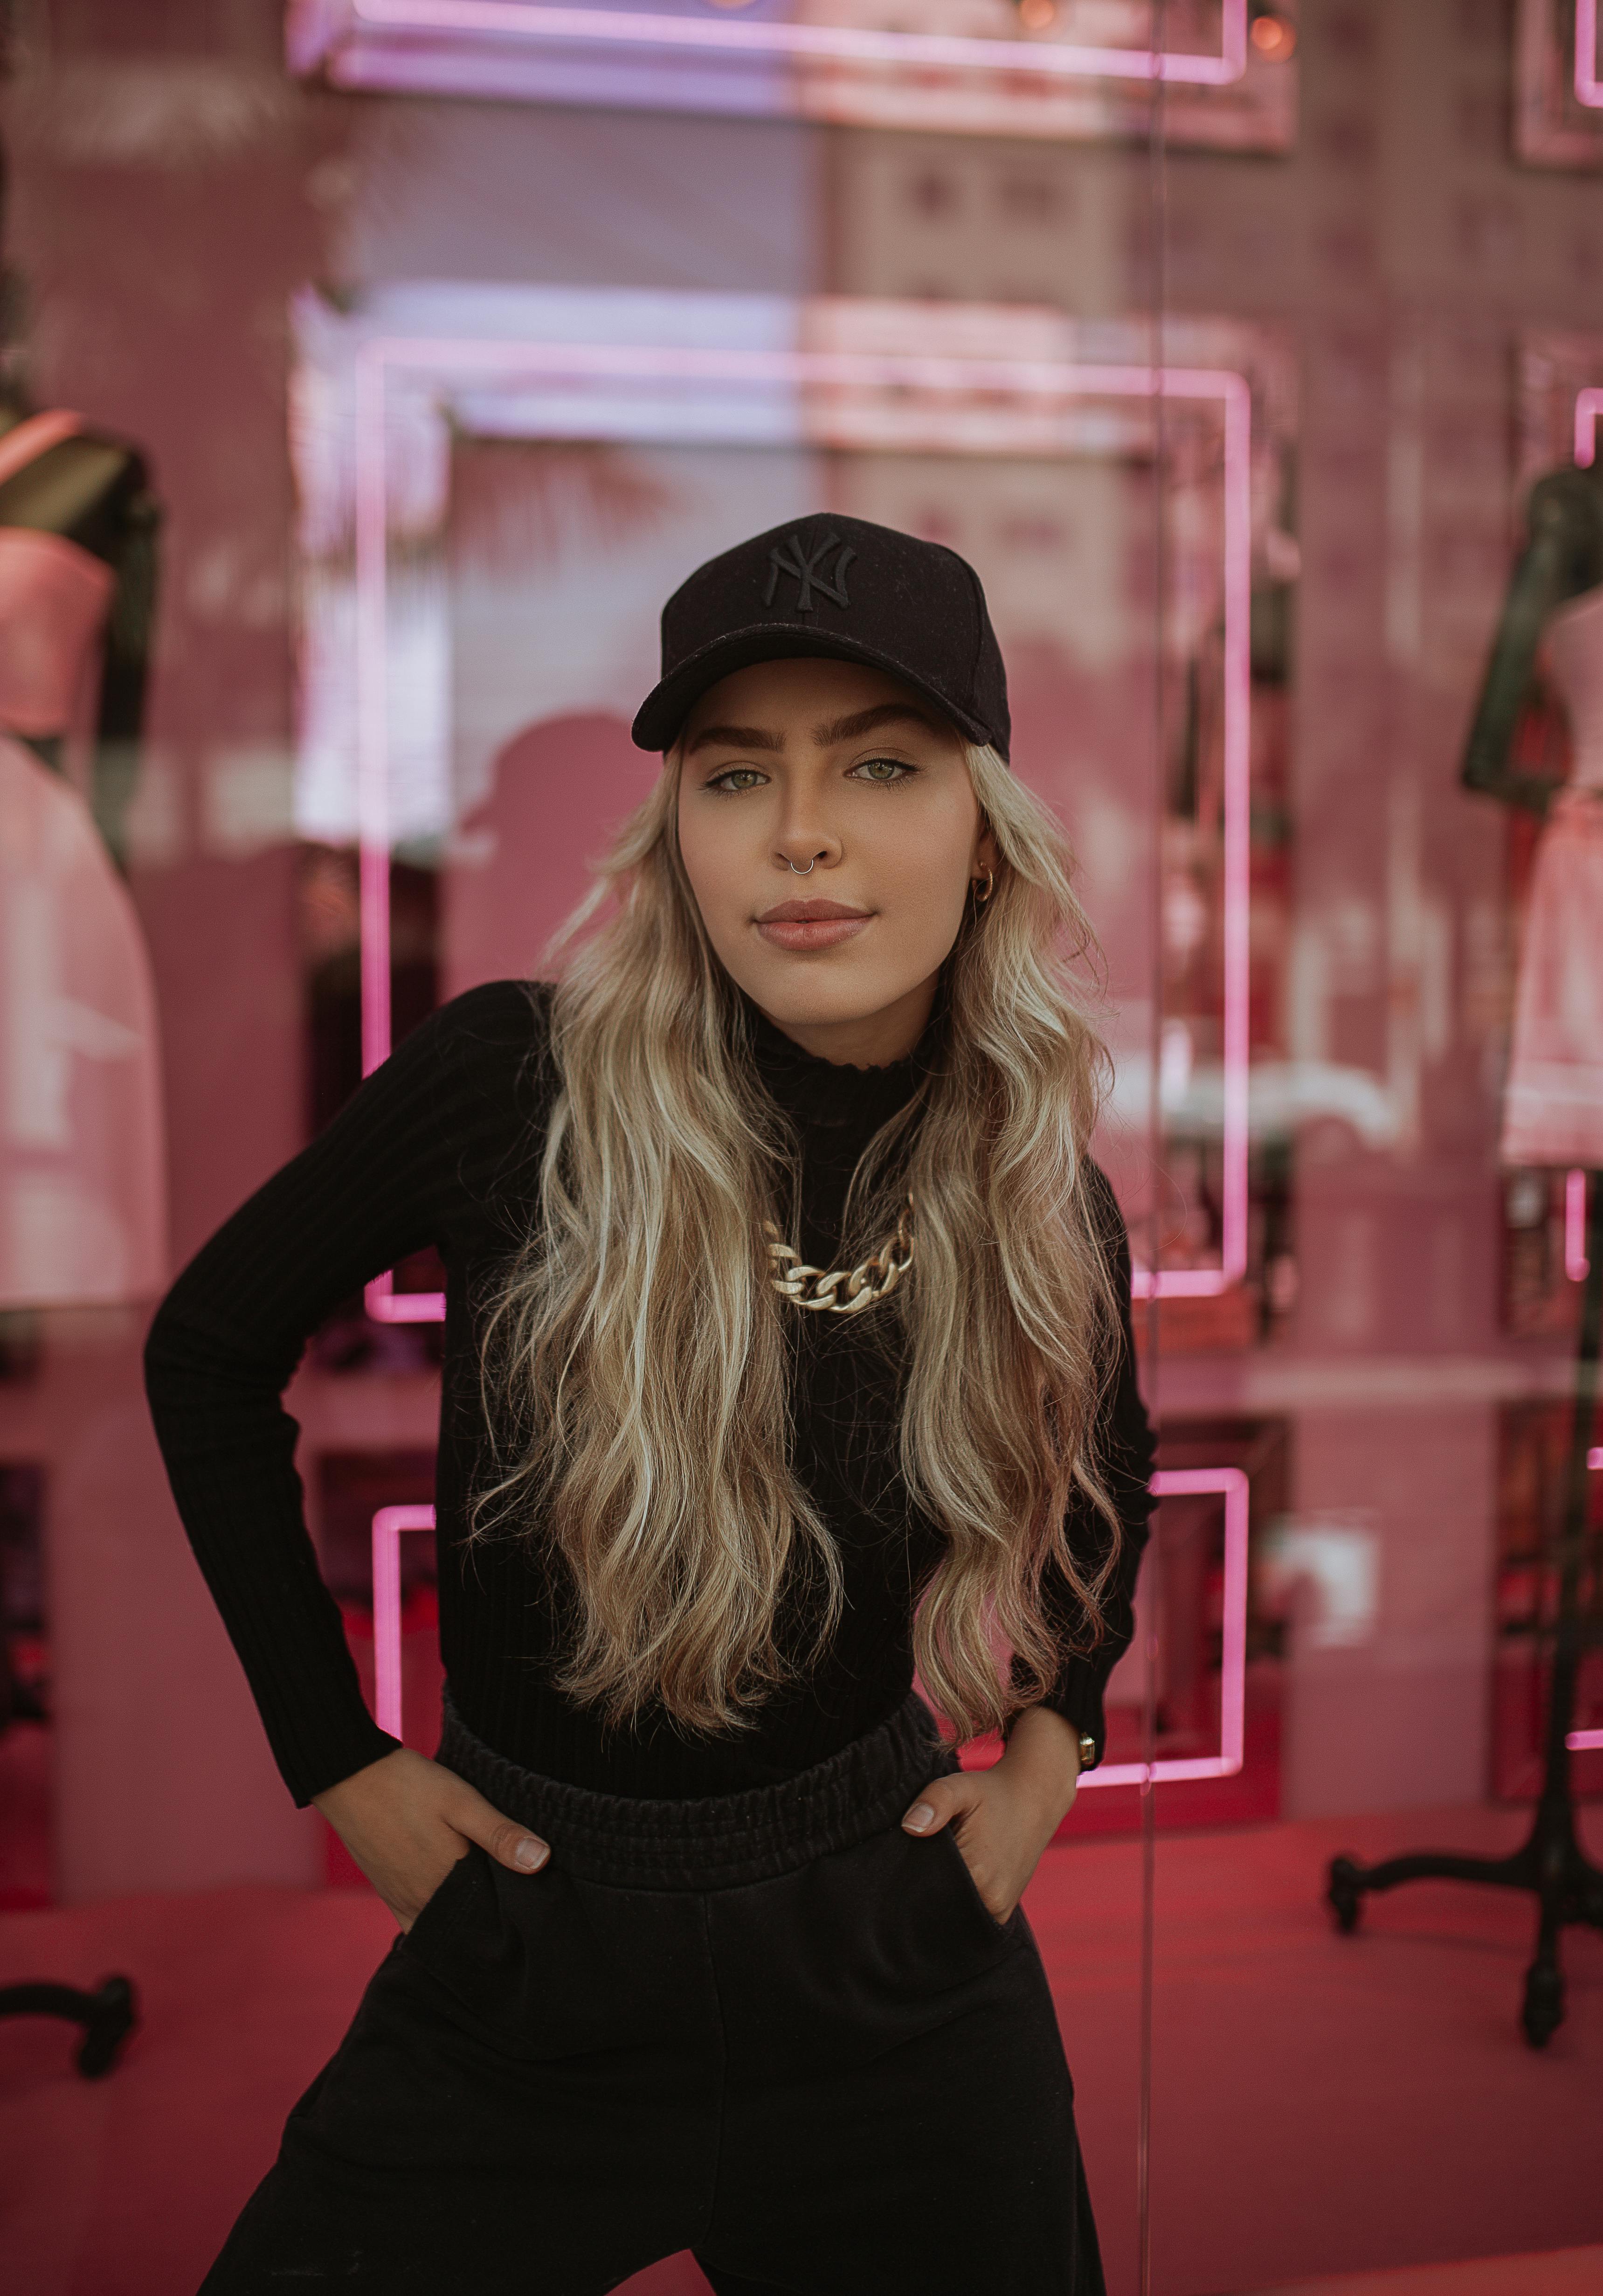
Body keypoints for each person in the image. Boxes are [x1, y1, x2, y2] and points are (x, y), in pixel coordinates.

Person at [145, 514, 1154, 2295]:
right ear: (676, 827)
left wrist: (1053, 1744)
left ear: (987, 830)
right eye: (735, 774)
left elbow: (1109, 1461)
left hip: (892, 1961)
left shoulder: (1025, 1185)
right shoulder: (512, 1080)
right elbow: (210, 1349)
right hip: (527, 1953)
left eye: (882, 765)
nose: (801, 833)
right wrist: (339, 1759)